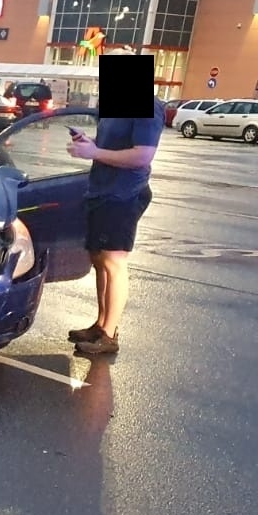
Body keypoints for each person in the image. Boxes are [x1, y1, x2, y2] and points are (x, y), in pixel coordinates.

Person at [64, 98, 165, 355]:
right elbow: (111, 148)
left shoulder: (147, 106)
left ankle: (109, 334)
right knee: (99, 260)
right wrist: (91, 145)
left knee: (114, 262)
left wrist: (95, 153)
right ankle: (101, 325)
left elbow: (143, 155)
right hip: (101, 192)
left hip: (124, 195)